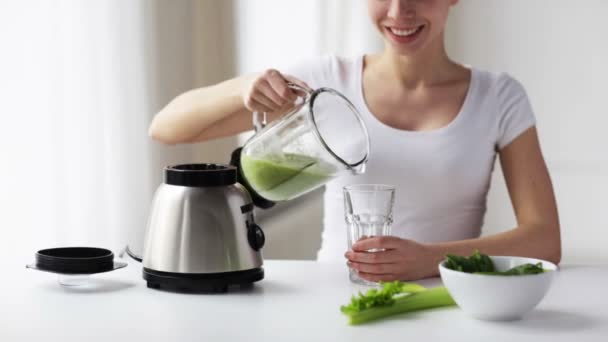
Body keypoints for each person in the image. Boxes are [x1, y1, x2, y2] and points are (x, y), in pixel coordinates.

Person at [148, 0, 561, 281]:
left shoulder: (499, 96)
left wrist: (432, 259)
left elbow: (544, 240)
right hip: (337, 298)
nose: (400, 11)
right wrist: (243, 88)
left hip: (446, 303)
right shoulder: (325, 83)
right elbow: (166, 128)